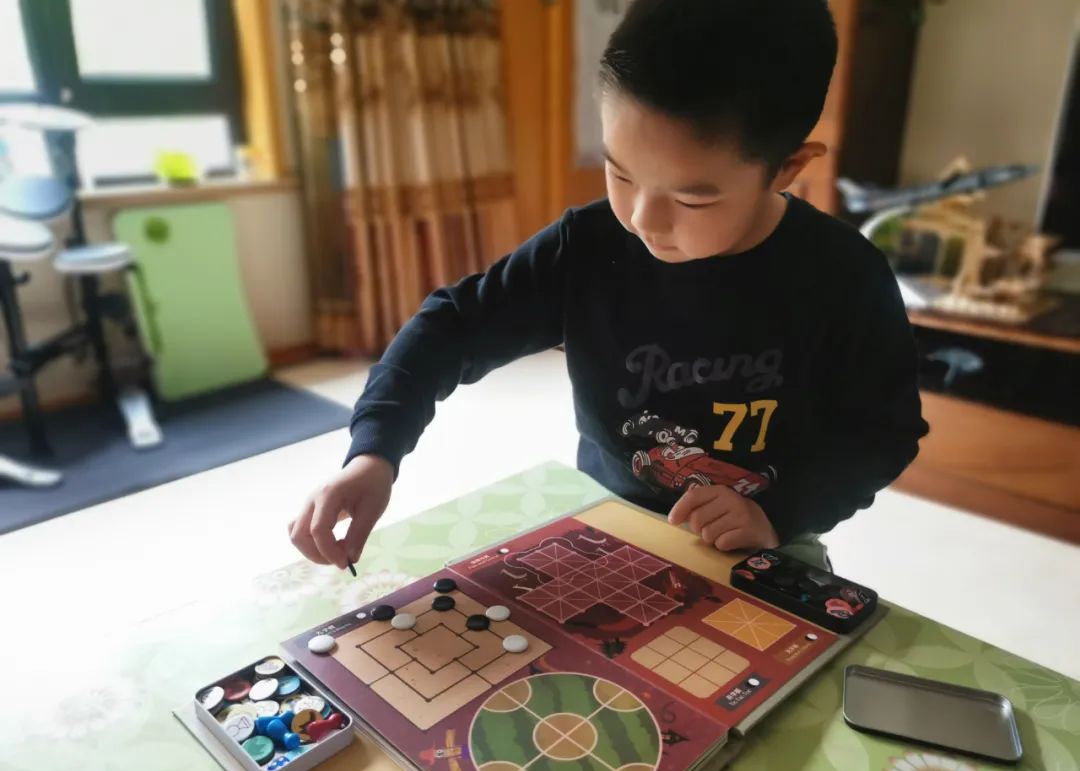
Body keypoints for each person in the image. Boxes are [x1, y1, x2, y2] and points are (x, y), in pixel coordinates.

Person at [289, 0, 928, 572]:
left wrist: (778, 512)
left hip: (765, 539)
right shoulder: (588, 247)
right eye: (619, 173)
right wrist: (374, 453)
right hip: (606, 524)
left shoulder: (842, 276)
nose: (644, 220)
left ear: (787, 169)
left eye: (691, 199)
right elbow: (451, 326)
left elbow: (884, 430)